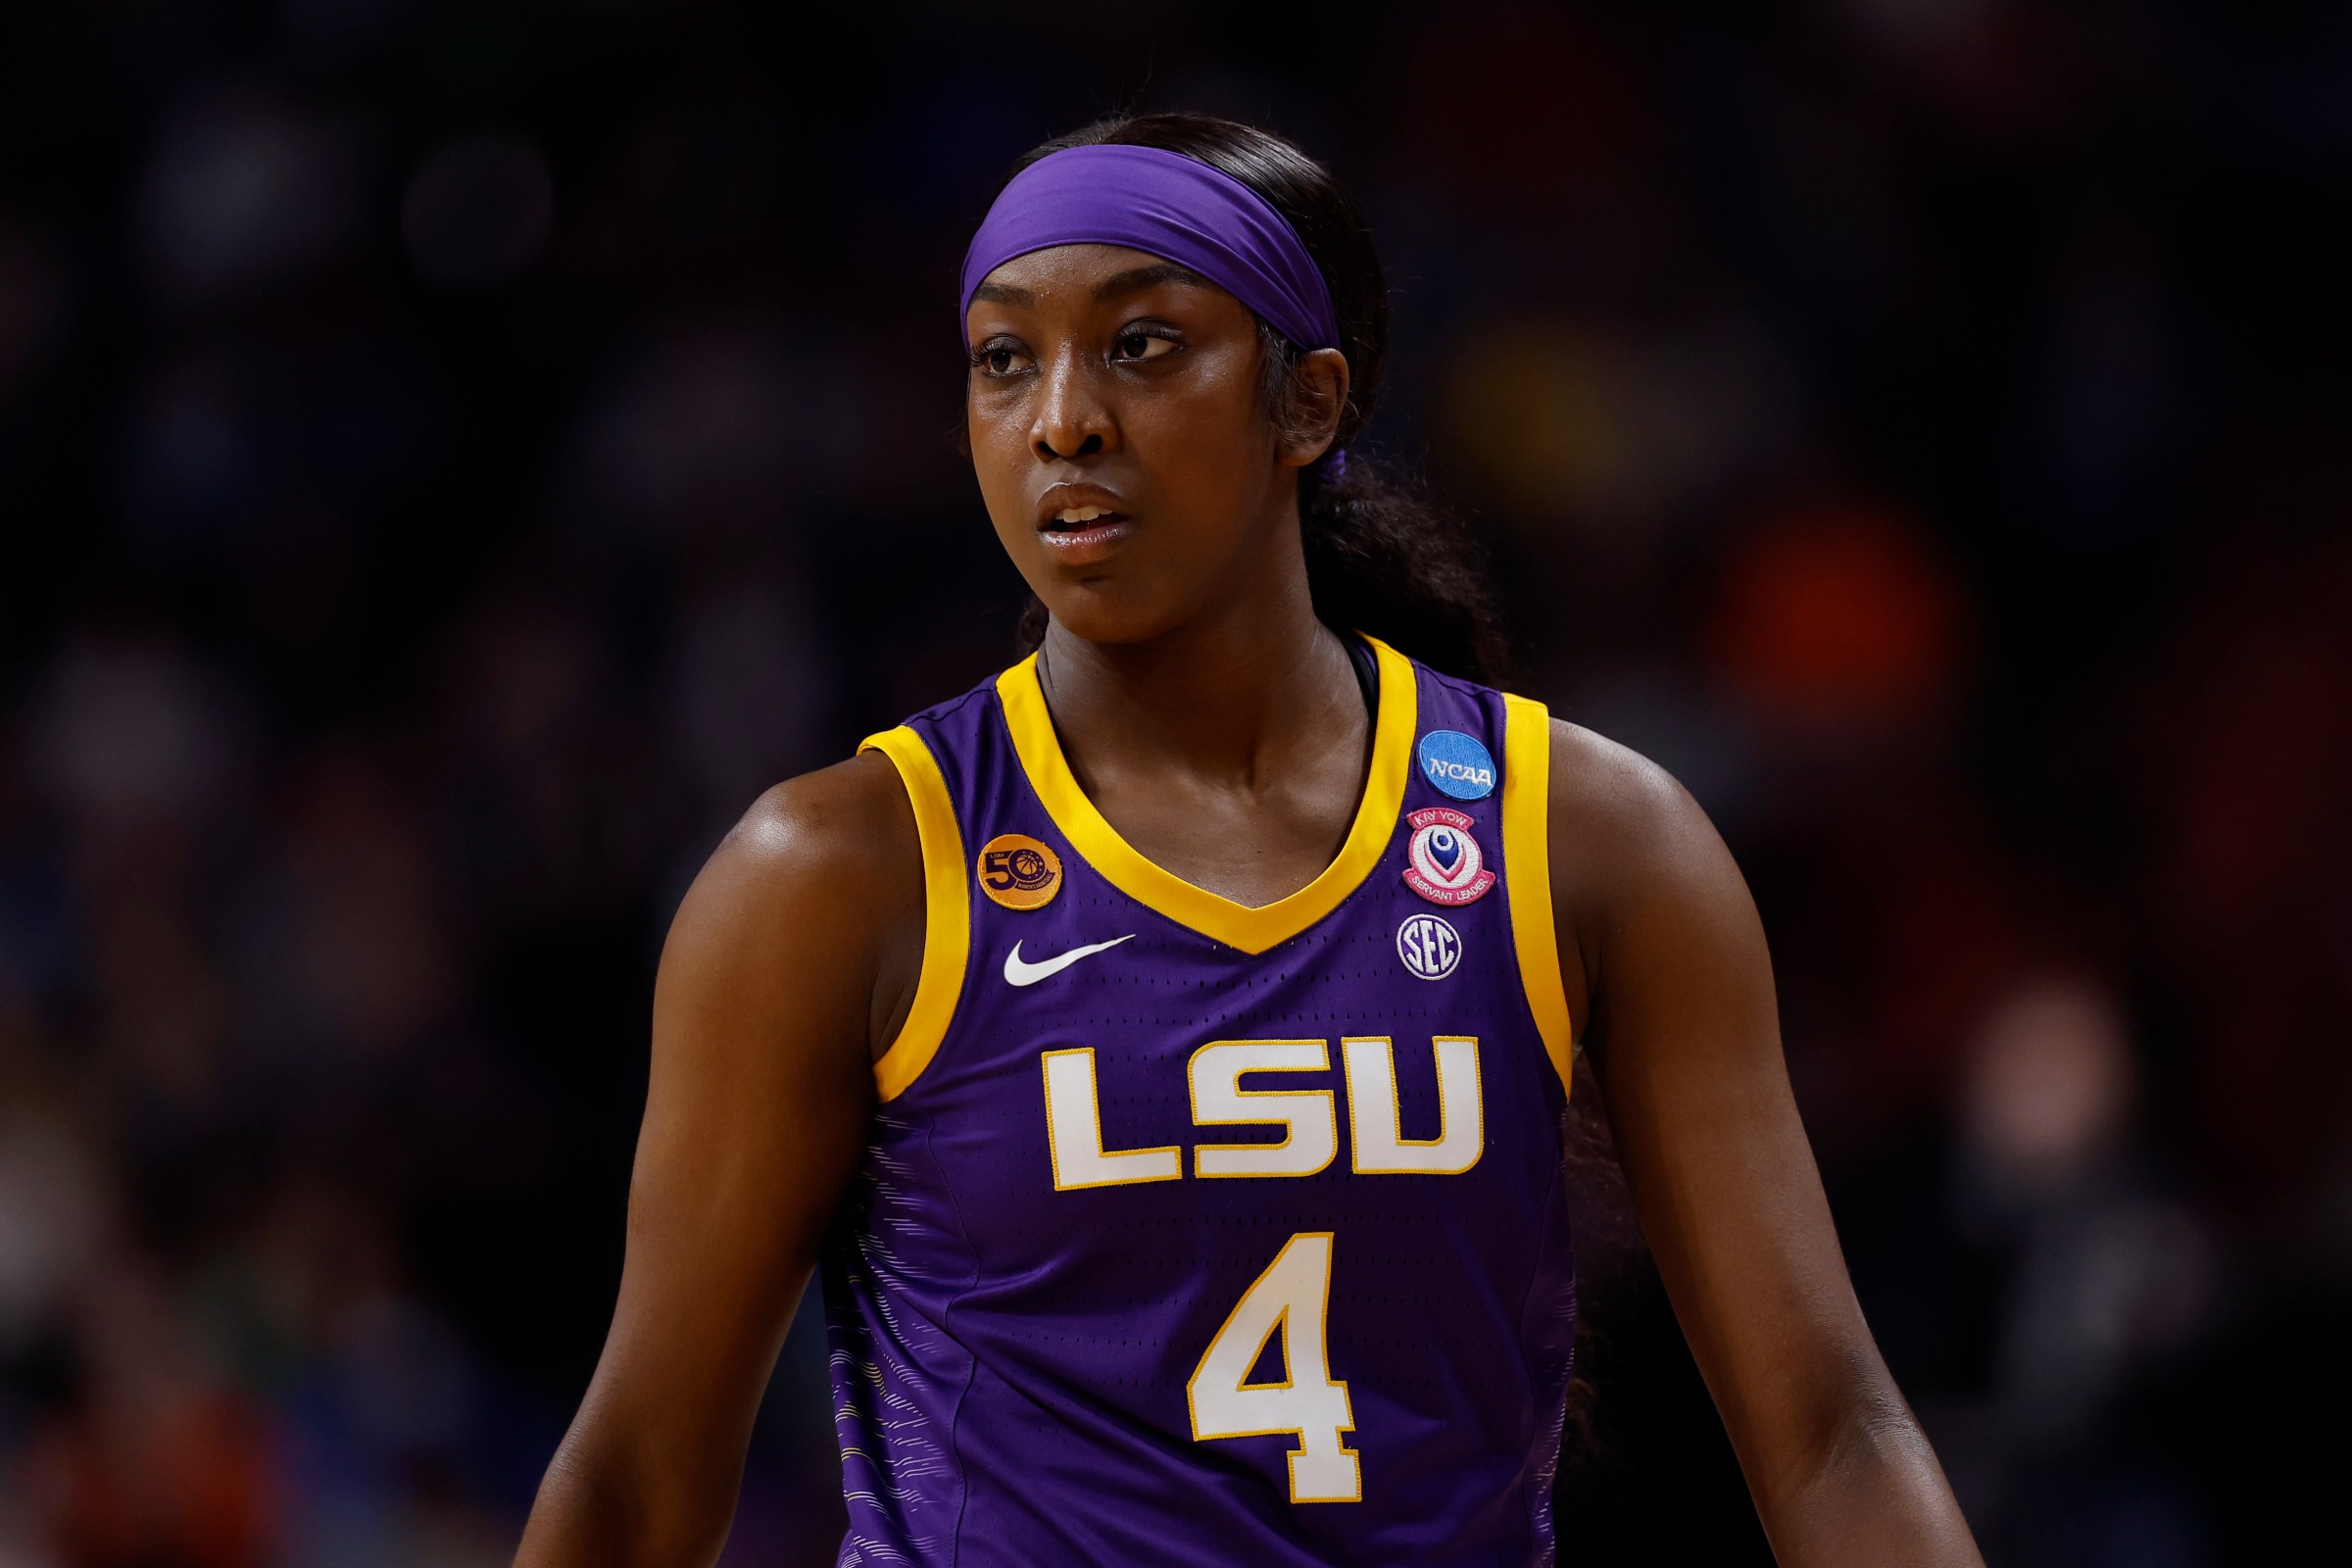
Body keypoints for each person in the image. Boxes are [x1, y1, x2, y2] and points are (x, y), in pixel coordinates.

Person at [514, 113, 1984, 1567]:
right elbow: (638, 1481)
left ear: (1310, 403)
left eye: (1142, 345)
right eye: (1004, 359)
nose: (1063, 420)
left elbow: (1832, 1432)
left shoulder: (1589, 840)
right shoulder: (840, 871)